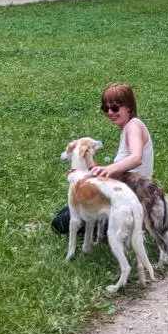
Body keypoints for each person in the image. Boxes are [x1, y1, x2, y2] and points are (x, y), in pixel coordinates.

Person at [52, 82, 154, 235]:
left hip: (130, 202)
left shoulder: (134, 125)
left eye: (115, 108)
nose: (110, 112)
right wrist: (91, 163)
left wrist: (109, 168)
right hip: (121, 196)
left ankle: (132, 228)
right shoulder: (128, 128)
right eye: (105, 108)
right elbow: (120, 172)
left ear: (129, 107)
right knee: (67, 211)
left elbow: (136, 157)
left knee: (60, 223)